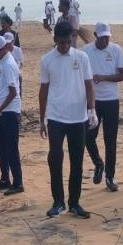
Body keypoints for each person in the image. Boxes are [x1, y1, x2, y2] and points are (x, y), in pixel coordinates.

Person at [39, 22, 95, 218]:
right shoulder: (47, 60)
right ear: (55, 40)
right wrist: (41, 119)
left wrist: (92, 110)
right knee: (55, 159)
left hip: (78, 118)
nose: (64, 46)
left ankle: (74, 202)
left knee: (77, 161)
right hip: (56, 117)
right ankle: (58, 201)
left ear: (72, 39)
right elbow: (43, 90)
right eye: (61, 42)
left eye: (68, 42)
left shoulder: (81, 57)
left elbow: (89, 85)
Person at [83, 23, 123, 192]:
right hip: (92, 101)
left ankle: (110, 177)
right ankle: (98, 163)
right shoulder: (86, 51)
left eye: (107, 37)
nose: (104, 40)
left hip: (111, 100)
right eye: (101, 38)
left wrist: (104, 77)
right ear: (95, 35)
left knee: (110, 140)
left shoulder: (116, 50)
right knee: (88, 136)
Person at [0, 35, 24, 195]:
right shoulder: (3, 62)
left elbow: (13, 92)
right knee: (0, 146)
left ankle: (18, 182)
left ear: (3, 49)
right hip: (4, 110)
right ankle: (5, 178)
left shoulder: (9, 64)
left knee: (11, 148)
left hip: (10, 111)